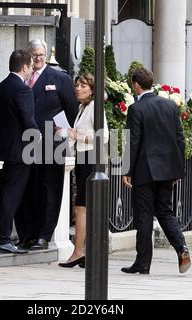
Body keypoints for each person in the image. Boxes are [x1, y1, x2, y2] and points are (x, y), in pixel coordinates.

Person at [121, 67, 191, 275]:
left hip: (145, 170)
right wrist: (178, 169)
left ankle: (143, 263)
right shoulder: (170, 105)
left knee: (143, 216)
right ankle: (182, 248)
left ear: (136, 84)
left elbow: (132, 142)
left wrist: (127, 170)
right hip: (167, 170)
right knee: (165, 211)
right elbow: (180, 138)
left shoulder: (136, 109)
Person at [15, 39, 79, 251]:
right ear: (29, 56)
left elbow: (71, 111)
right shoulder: (22, 79)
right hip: (27, 143)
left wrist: (62, 133)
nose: (38, 58)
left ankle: (44, 234)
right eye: (34, 55)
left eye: (41, 55)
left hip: (53, 143)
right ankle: (26, 234)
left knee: (49, 189)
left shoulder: (59, 78)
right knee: (27, 189)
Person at [57, 73, 109, 268]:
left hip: (91, 159)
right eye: (77, 85)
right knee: (84, 207)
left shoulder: (95, 106)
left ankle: (78, 252)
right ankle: (84, 252)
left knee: (82, 207)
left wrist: (75, 134)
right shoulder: (83, 107)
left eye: (84, 86)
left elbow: (102, 137)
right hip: (84, 157)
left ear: (92, 89)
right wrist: (66, 133)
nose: (78, 89)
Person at [0, 50, 39, 254]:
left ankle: (2, 236)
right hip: (19, 151)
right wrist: (39, 136)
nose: (32, 70)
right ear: (24, 67)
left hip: (2, 148)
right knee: (11, 196)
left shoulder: (2, 87)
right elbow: (28, 121)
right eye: (30, 66)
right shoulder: (22, 90)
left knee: (4, 192)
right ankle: (3, 238)